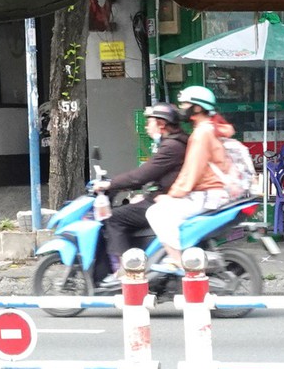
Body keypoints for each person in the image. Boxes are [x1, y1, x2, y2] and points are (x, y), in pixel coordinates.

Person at [97, 103, 187, 287]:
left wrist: (110, 183)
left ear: (161, 124)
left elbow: (142, 175)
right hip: (163, 196)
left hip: (167, 200)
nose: (146, 127)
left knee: (115, 218)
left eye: (150, 122)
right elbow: (155, 175)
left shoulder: (171, 147)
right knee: (129, 208)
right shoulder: (174, 143)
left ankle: (127, 269)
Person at [145, 86, 240, 256]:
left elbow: (192, 171)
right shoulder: (211, 128)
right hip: (215, 193)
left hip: (207, 195)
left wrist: (172, 194)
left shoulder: (201, 133)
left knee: (155, 213)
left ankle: (178, 261)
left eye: (184, 105)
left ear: (196, 107)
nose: (181, 109)